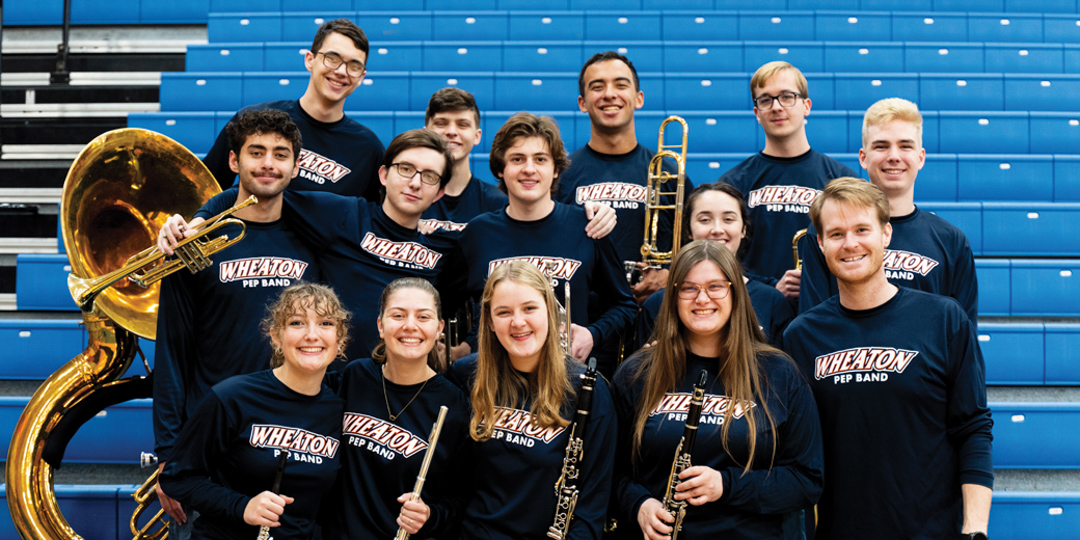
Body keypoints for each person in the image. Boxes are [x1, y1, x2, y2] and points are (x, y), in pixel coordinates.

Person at [783, 178, 993, 539]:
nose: (850, 244)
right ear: (820, 244)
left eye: (862, 229)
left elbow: (972, 427)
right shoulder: (801, 336)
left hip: (931, 531)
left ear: (886, 234)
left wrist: (975, 529)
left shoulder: (944, 320)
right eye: (836, 234)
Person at [153, 109, 319, 532]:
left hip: (291, 437)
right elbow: (172, 353)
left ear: (296, 166)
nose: (268, 163)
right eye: (256, 152)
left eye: (281, 155)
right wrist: (170, 454)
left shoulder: (316, 237)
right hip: (211, 442)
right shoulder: (194, 244)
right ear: (233, 162)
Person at [611, 240, 823, 540]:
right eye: (688, 288)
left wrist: (726, 485)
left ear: (735, 293)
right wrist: (639, 505)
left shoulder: (779, 373)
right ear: (672, 297)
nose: (702, 298)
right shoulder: (636, 374)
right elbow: (607, 472)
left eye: (715, 286)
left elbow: (806, 480)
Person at [441, 112, 637, 376]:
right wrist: (462, 346)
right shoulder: (478, 234)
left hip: (563, 377)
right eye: (517, 159)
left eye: (540, 159)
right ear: (501, 168)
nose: (529, 169)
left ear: (556, 169)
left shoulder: (587, 226)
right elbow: (440, 303)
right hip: (494, 380)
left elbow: (625, 306)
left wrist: (593, 335)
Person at [159, 282, 348, 540]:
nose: (312, 334)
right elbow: (177, 479)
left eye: (325, 323)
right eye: (296, 323)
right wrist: (242, 506)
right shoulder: (232, 396)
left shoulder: (343, 406)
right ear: (276, 336)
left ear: (340, 340)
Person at [445, 261, 617, 538]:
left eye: (529, 308)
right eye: (503, 312)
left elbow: (592, 508)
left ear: (550, 311)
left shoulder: (588, 389)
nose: (518, 322)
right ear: (489, 321)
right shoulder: (465, 375)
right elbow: (451, 485)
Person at [798, 98, 979, 325]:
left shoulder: (951, 241)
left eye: (905, 146)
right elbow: (813, 324)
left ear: (920, 157)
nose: (894, 156)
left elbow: (962, 339)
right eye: (881, 146)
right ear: (863, 157)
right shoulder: (830, 231)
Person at [322, 278, 470, 539]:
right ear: (380, 325)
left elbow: (460, 500)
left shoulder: (454, 404)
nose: (410, 326)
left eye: (423, 317)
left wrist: (430, 516)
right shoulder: (355, 376)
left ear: (439, 329)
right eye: (398, 315)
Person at [556, 51, 692, 304]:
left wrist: (671, 275)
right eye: (597, 87)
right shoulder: (561, 175)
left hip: (655, 315)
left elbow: (696, 249)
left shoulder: (669, 172)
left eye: (621, 85)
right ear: (582, 103)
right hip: (586, 319)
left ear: (638, 98)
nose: (609, 94)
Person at [720, 61, 857, 300]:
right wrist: (768, 290)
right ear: (757, 114)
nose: (776, 107)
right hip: (755, 311)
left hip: (826, 309)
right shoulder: (733, 183)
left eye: (787, 96)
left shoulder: (842, 180)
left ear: (806, 106)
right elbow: (721, 257)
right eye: (765, 100)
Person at [202, 19, 384, 198]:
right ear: (309, 60)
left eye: (354, 66)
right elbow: (205, 190)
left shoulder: (369, 150)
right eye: (332, 58)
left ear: (361, 77)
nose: (341, 71)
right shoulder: (253, 121)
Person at [635, 182, 794, 351]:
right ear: (688, 230)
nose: (717, 229)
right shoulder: (657, 303)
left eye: (728, 219)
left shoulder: (772, 301)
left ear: (743, 230)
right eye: (705, 220)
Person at [419, 87, 507, 233]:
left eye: (462, 125)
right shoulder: (409, 195)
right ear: (426, 133)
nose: (452, 132)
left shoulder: (497, 203)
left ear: (477, 136)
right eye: (441, 123)